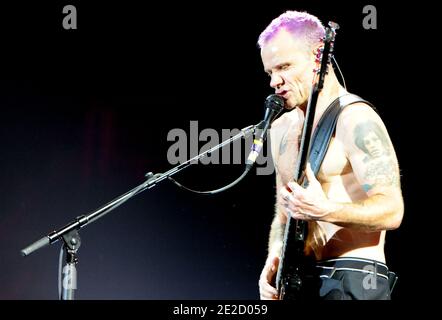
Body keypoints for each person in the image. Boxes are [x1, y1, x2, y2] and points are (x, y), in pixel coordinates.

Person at [257, 11, 404, 300]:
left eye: (284, 67)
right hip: (298, 281)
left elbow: (392, 209)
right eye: (270, 72)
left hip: (353, 278)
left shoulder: (355, 119)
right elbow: (283, 212)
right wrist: (273, 257)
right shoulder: (281, 129)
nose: (275, 81)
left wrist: (326, 210)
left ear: (318, 57)